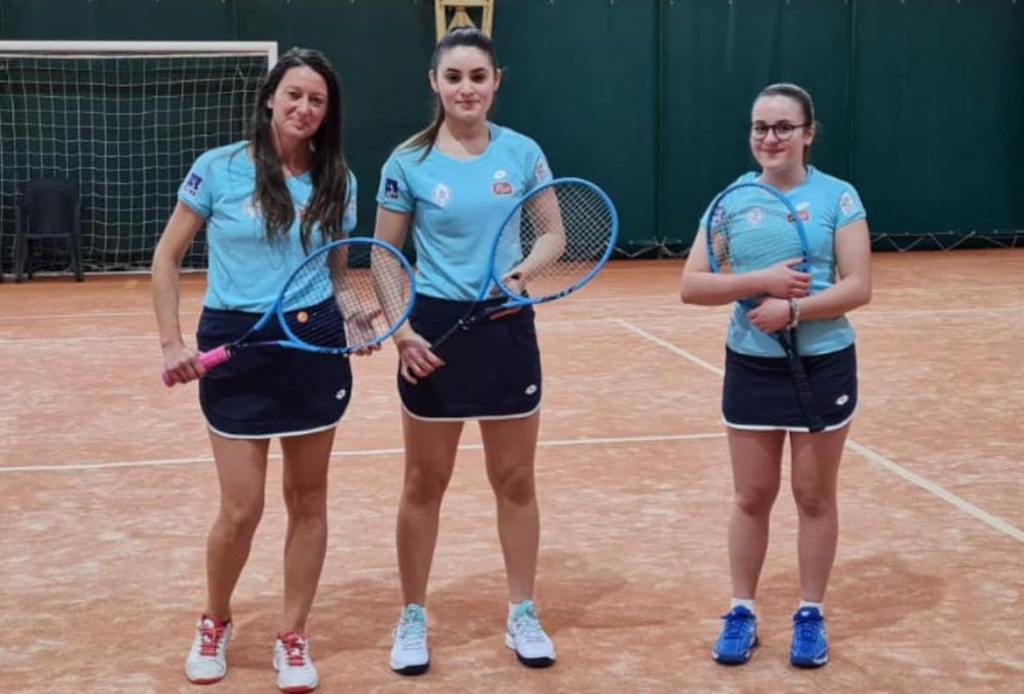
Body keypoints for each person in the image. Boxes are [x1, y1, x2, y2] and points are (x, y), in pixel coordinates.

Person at [151, 47, 358, 693]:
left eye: (317, 100)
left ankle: (293, 635)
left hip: (312, 341)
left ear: (328, 112)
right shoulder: (217, 168)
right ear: (270, 97)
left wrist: (354, 316)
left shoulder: (338, 180)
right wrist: (171, 343)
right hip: (235, 340)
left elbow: (337, 274)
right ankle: (215, 619)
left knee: (309, 501)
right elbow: (166, 257)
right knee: (241, 508)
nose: (304, 108)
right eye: (294, 94)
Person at [372, 27, 557, 675]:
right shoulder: (408, 162)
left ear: (496, 81)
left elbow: (553, 234)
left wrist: (523, 272)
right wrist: (401, 334)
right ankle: (413, 616)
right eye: (454, 77)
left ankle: (522, 611)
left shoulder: (523, 153)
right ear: (435, 83)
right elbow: (384, 257)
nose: (466, 89)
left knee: (515, 480)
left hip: (506, 325)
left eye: (478, 76)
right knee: (424, 483)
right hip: (433, 334)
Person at [680, 83, 872, 668]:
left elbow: (857, 286)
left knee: (814, 496)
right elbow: (693, 284)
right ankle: (741, 611)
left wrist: (793, 311)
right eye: (760, 127)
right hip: (752, 365)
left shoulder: (838, 197)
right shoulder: (730, 203)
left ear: (809, 133)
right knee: (752, 495)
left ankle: (810, 615)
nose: (770, 138)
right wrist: (758, 282)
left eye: (784, 127)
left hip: (823, 363)